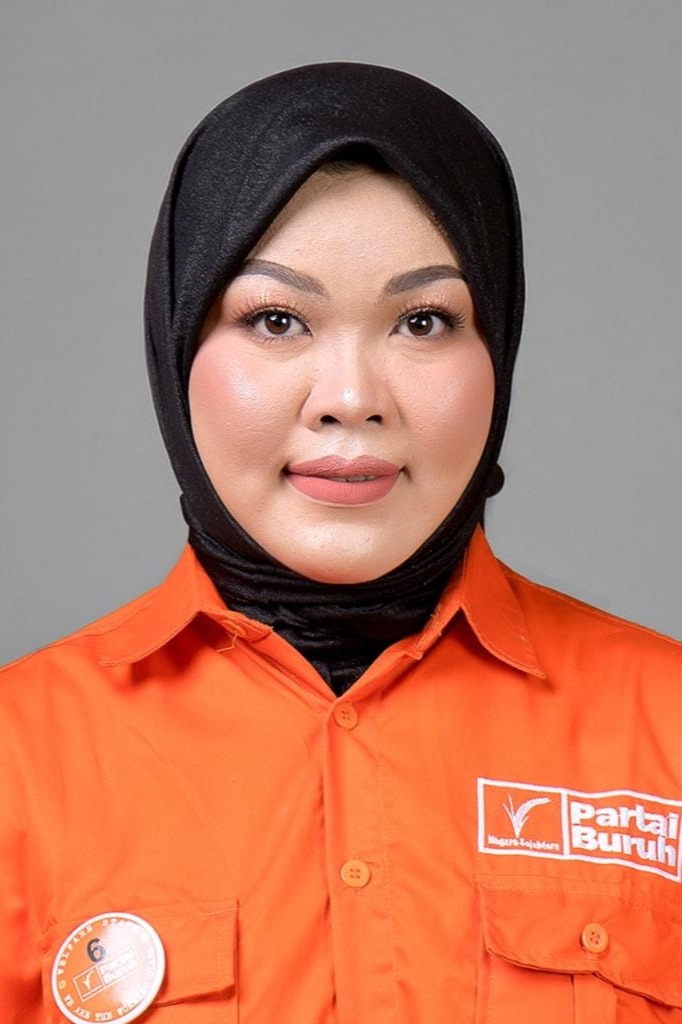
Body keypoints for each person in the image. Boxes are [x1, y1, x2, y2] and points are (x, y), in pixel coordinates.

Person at [2, 61, 681, 1024]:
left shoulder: (667, 728)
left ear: (499, 345)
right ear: (177, 343)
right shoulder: (19, 759)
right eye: (276, 319)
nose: (351, 398)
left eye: (423, 321)